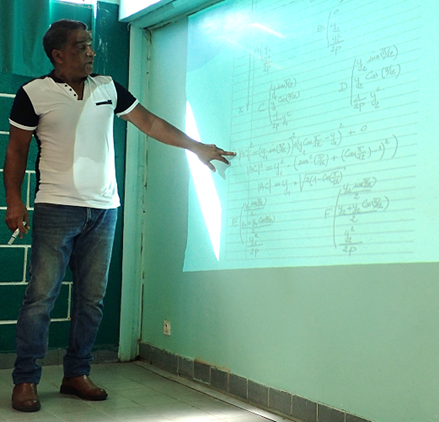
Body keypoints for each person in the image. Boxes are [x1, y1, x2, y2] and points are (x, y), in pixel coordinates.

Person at [3, 19, 235, 412]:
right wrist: (14, 201)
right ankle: (26, 380)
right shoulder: (33, 93)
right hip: (56, 206)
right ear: (58, 55)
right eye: (81, 46)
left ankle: (77, 374)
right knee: (41, 298)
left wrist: (195, 146)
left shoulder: (108, 87)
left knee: (92, 300)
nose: (91, 52)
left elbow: (150, 122)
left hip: (105, 210)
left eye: (90, 44)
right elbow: (16, 150)